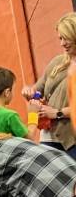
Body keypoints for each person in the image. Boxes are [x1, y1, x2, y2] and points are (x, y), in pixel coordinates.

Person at [21, 13, 76, 156]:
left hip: (72, 140)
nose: (62, 43)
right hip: (48, 136)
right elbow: (38, 89)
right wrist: (29, 92)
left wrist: (57, 113)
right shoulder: (56, 62)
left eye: (66, 38)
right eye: (60, 38)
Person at [0, 67, 40, 141]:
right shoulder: (10, 116)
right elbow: (29, 138)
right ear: (7, 92)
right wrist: (33, 114)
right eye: (13, 89)